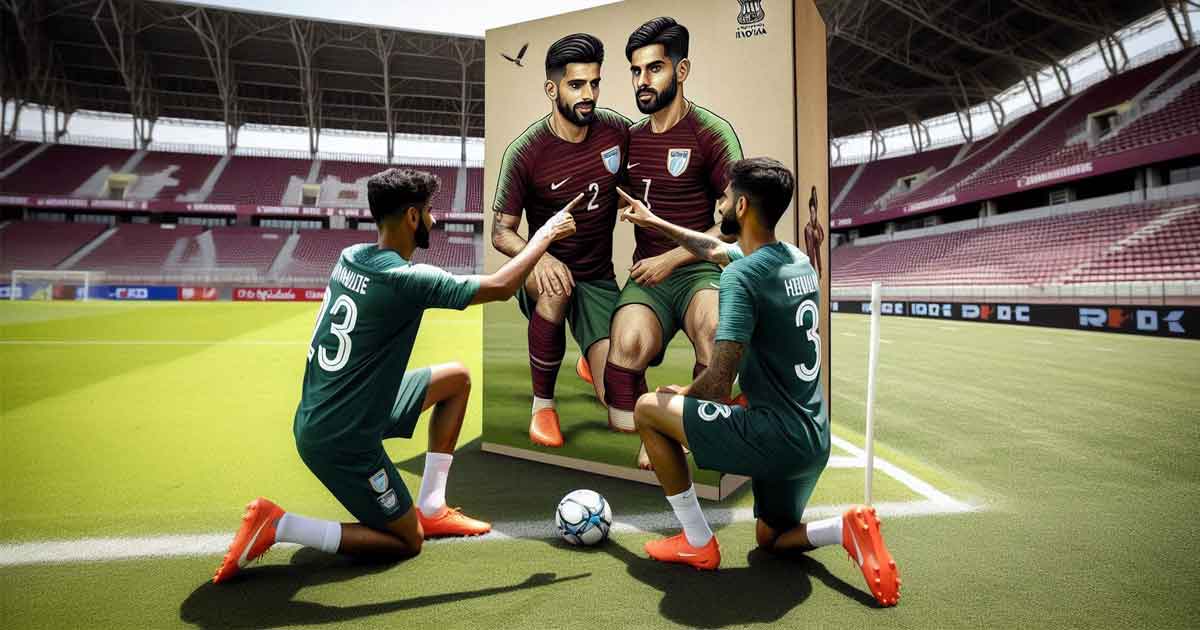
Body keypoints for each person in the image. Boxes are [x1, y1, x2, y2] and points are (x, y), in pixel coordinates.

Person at [212, 168, 580, 583]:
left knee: (455, 379)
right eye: (429, 212)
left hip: (345, 405)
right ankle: (280, 525)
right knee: (408, 541)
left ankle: (433, 506)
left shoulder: (350, 257)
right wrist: (545, 235)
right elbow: (500, 286)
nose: (434, 220)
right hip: (341, 437)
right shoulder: (405, 279)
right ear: (411, 217)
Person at [619, 158, 900, 607]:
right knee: (771, 538)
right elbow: (712, 250)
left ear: (742, 205)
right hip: (812, 438)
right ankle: (842, 527)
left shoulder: (741, 277)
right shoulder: (796, 260)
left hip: (775, 435)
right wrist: (652, 220)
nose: (720, 201)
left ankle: (697, 541)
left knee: (648, 409)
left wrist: (678, 395)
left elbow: (717, 384)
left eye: (726, 196)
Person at [603, 17, 743, 470]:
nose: (643, 82)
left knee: (714, 329)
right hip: (648, 274)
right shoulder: (629, 139)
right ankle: (654, 422)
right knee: (624, 348)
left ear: (681, 71)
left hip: (698, 269)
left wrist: (674, 257)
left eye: (654, 69)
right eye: (636, 71)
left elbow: (735, 221)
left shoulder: (711, 133)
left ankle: (685, 426)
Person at [492, 33, 631, 448]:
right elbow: (501, 232)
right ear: (552, 88)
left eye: (594, 83)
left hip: (599, 278)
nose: (588, 94)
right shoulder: (526, 151)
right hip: (547, 271)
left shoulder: (617, 132)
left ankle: (593, 358)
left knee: (620, 406)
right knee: (555, 288)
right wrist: (540, 255)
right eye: (576, 85)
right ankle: (543, 407)